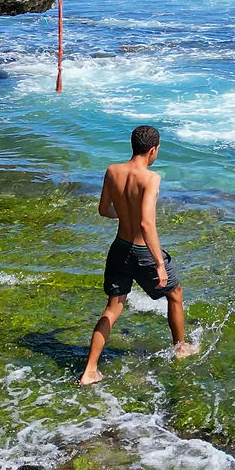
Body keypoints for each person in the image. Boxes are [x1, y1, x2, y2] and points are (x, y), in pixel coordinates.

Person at [79, 125, 196, 386]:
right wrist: (158, 263)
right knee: (175, 294)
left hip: (119, 248)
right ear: (153, 150)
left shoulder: (112, 171)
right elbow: (146, 224)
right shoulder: (151, 178)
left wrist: (125, 213)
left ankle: (89, 371)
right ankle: (180, 348)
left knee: (112, 309)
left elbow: (103, 210)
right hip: (142, 251)